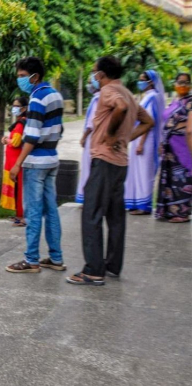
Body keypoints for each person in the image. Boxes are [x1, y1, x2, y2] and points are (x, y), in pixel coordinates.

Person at [67, 56, 154, 285]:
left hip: (104, 160)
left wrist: (112, 135)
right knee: (115, 216)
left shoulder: (109, 92)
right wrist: (125, 139)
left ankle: (94, 270)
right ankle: (112, 265)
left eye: (95, 72)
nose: (93, 77)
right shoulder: (128, 92)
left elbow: (121, 108)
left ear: (102, 74)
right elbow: (148, 122)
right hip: (120, 163)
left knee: (92, 213)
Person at [6, 57, 65, 273]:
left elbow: (31, 136)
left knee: (32, 211)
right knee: (51, 211)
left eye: (22, 76)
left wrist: (17, 164)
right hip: (52, 159)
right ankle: (56, 257)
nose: (20, 80)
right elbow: (59, 130)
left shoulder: (37, 98)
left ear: (35, 76)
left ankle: (31, 260)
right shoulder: (56, 95)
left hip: (36, 163)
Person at [124, 70, 165, 215]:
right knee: (136, 171)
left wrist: (141, 143)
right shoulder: (147, 97)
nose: (140, 82)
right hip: (140, 140)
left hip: (146, 141)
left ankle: (144, 205)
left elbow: (150, 121)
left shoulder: (153, 97)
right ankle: (136, 202)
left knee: (144, 173)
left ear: (151, 82)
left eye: (143, 80)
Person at [155, 73, 192, 223]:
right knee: (170, 179)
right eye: (180, 82)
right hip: (168, 148)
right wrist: (161, 143)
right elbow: (165, 123)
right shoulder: (175, 102)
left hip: (183, 146)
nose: (183, 85)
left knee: (182, 179)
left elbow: (190, 129)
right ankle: (169, 210)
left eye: (186, 82)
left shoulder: (190, 102)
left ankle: (182, 213)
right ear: (174, 83)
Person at [0, 96, 28, 227]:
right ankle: (18, 214)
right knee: (16, 188)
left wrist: (6, 141)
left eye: (17, 106)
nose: (14, 108)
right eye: (13, 105)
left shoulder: (22, 123)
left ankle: (21, 217)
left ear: (24, 108)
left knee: (18, 189)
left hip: (16, 161)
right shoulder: (19, 122)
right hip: (13, 160)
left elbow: (17, 142)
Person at [76, 83, 101, 204]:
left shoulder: (98, 99)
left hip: (92, 138)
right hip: (96, 138)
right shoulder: (97, 98)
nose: (90, 84)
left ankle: (89, 198)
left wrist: (84, 137)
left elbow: (91, 123)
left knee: (88, 167)